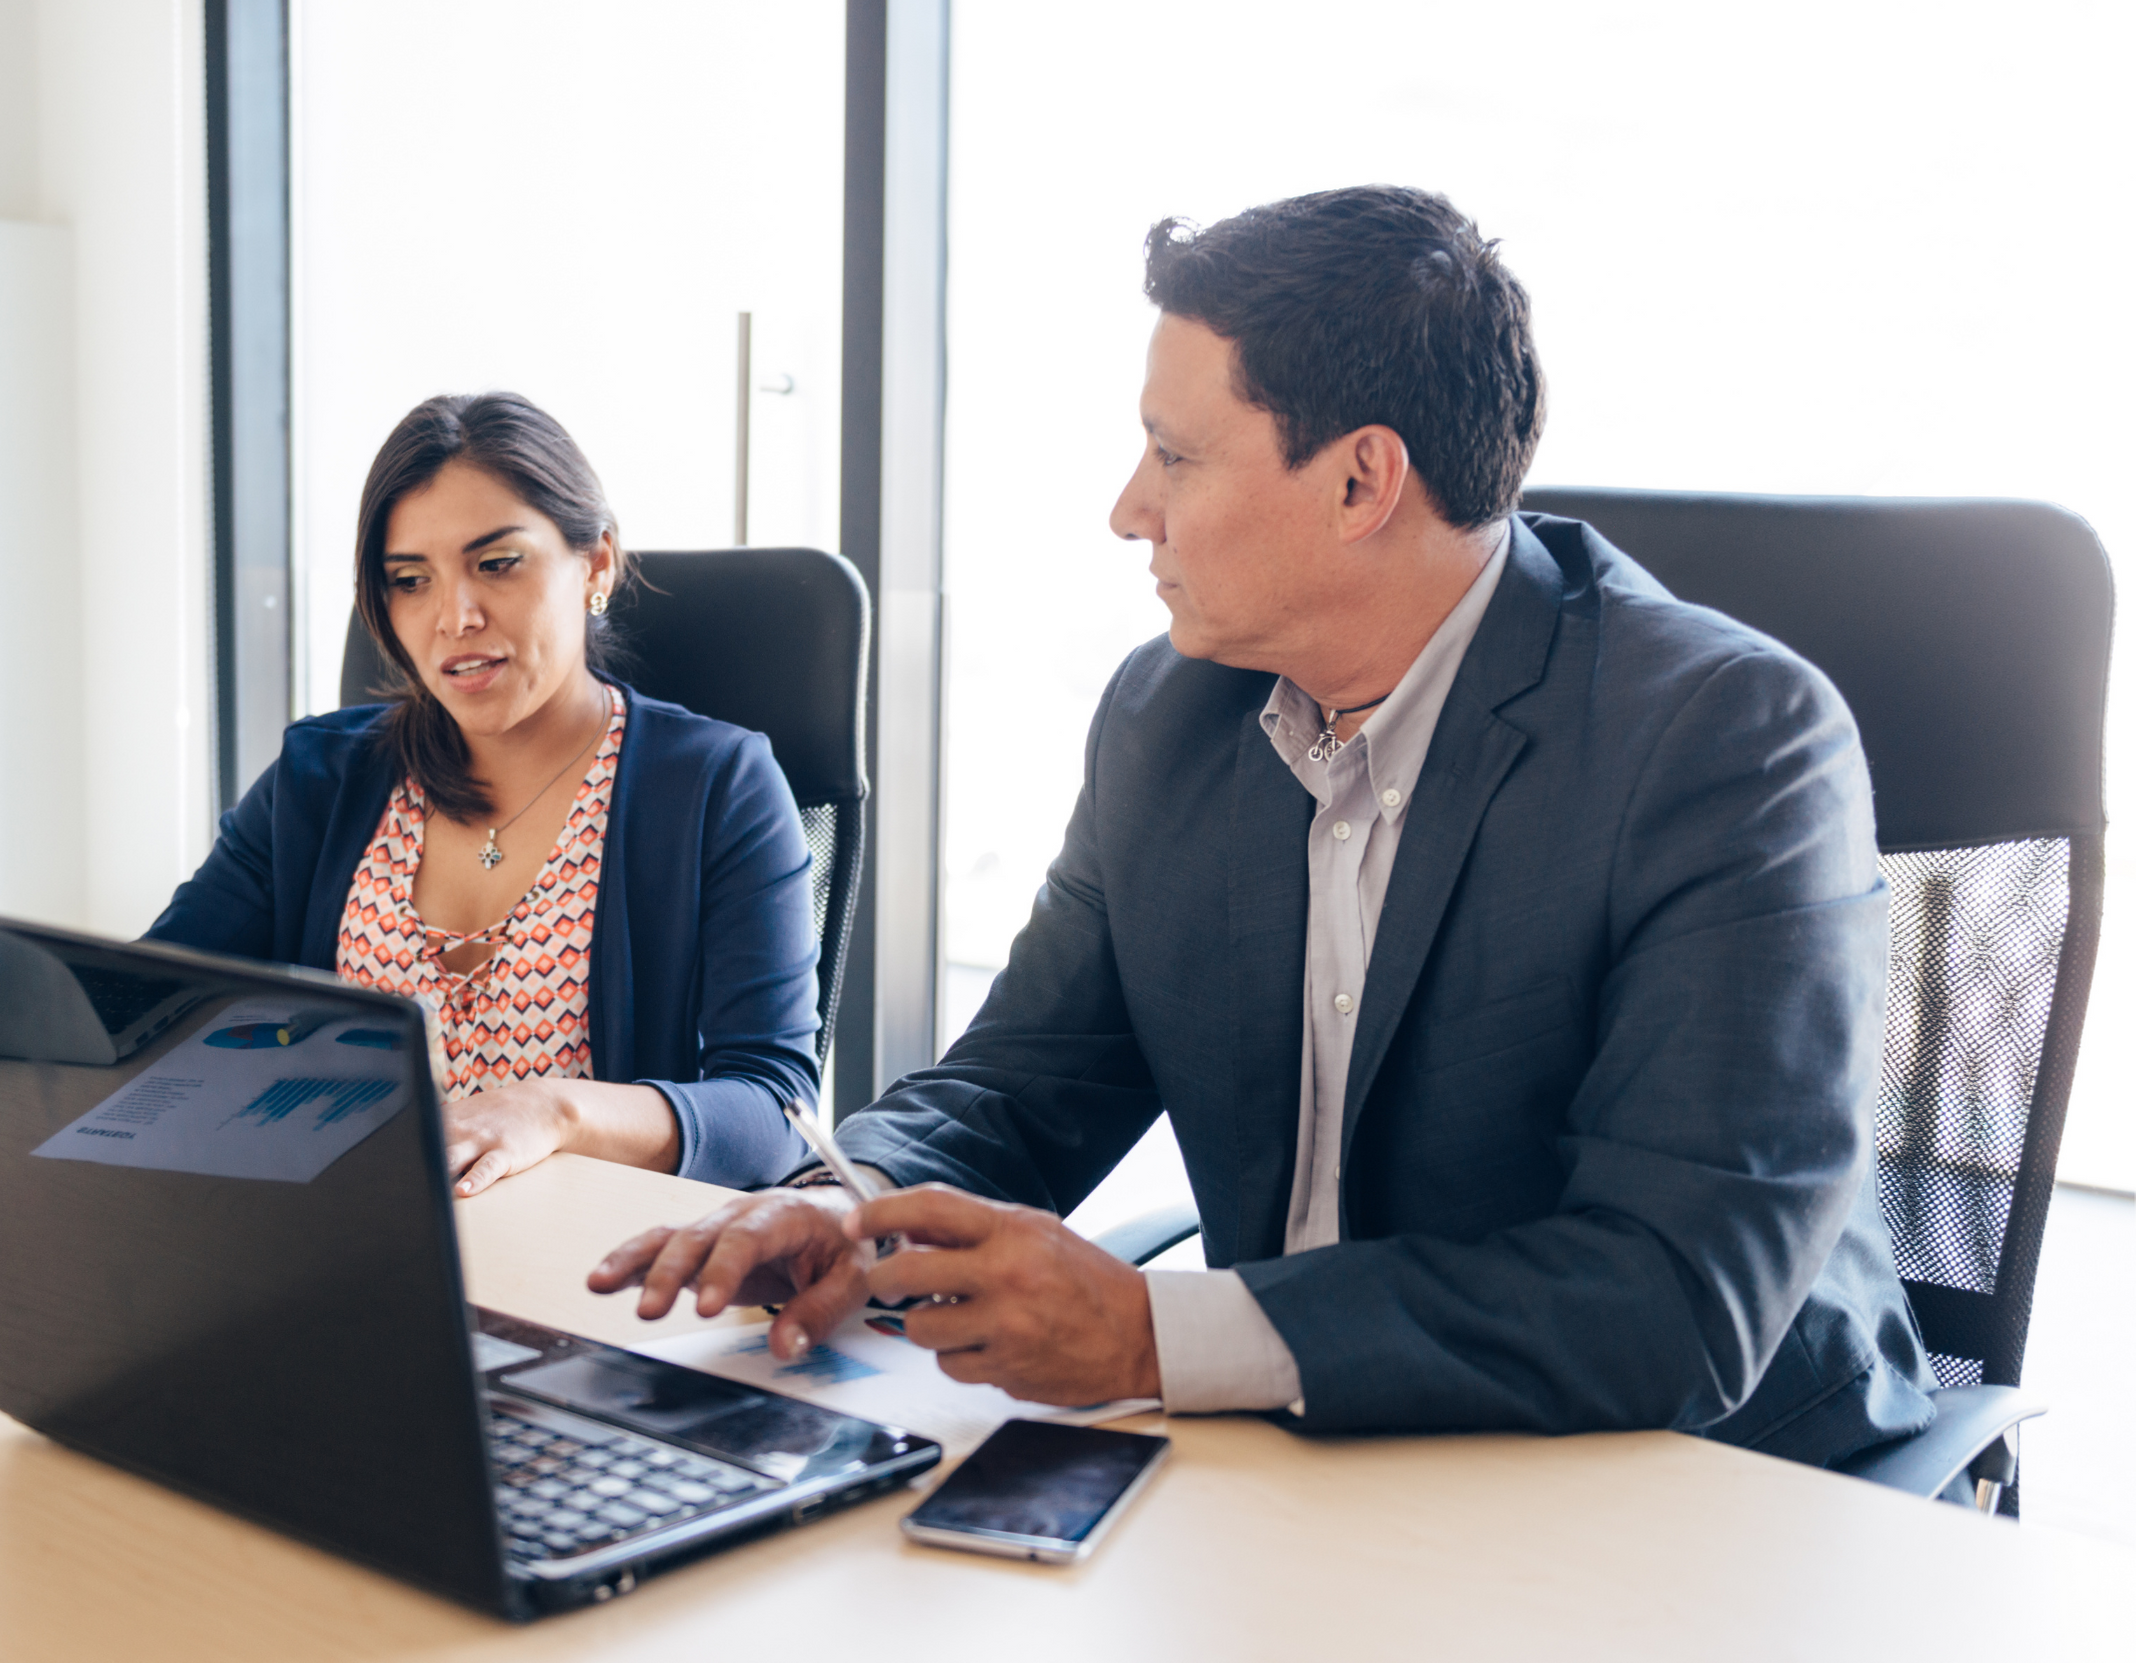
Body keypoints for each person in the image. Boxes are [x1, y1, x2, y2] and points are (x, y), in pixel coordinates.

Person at [591, 186, 1939, 1469]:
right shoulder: (1166, 717)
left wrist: (1148, 1330)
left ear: (1360, 482)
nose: (1127, 509)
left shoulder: (1726, 741)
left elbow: (1671, 1293)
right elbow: (1021, 1079)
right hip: (1310, 1459)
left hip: (1696, 1481)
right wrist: (853, 1203)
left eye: (1173, 456)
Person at [149, 392, 821, 1196]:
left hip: (596, 1268)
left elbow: (775, 1111)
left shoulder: (716, 787)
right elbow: (153, 1011)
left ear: (595, 564)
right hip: (354, 1245)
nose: (453, 617)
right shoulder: (319, 780)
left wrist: (555, 1111)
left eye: (497, 563)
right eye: (410, 580)